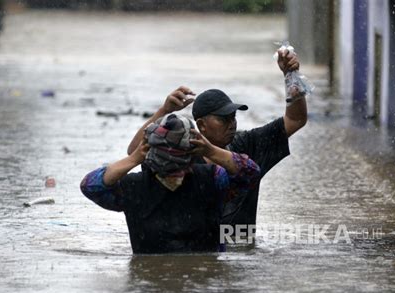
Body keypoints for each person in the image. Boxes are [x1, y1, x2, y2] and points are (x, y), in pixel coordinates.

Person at [127, 50, 306, 228]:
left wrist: (291, 76)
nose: (232, 124)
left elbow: (295, 120)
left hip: (240, 247)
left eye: (233, 117)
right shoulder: (179, 154)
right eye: (223, 119)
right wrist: (164, 111)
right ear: (202, 125)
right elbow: (135, 152)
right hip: (200, 246)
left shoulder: (247, 144)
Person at [80, 113, 260, 253]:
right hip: (200, 287)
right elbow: (90, 185)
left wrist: (211, 150)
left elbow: (251, 173)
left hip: (180, 285)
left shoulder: (211, 179)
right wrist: (134, 157)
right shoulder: (134, 188)